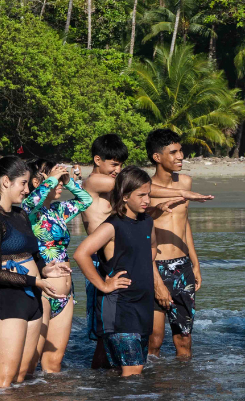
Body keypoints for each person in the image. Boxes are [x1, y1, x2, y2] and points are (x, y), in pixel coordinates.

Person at [81, 134, 212, 368]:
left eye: (120, 166)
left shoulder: (143, 202)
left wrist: (194, 260)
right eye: (114, 165)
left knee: (162, 338)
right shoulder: (96, 184)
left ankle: (161, 390)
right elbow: (129, 192)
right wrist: (180, 195)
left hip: (155, 266)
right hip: (109, 267)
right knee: (116, 337)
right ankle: (114, 386)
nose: (117, 171)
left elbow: (176, 224)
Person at [0, 156, 68, 389]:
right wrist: (35, 281)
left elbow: (34, 255)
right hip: (9, 301)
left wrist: (48, 269)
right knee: (2, 382)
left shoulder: (21, 215)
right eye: (23, 183)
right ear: (6, 182)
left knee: (21, 378)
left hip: (33, 300)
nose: (27, 190)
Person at [75, 167, 168, 376]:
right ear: (125, 196)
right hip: (120, 308)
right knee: (133, 374)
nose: (147, 200)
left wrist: (141, 265)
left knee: (123, 372)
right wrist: (103, 284)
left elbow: (152, 246)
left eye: (149, 194)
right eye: (141, 195)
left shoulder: (147, 222)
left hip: (143, 306)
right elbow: (81, 254)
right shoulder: (112, 226)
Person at [21, 160, 92, 373]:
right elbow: (28, 204)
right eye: (54, 179)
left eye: (60, 179)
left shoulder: (58, 210)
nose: (59, 183)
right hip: (41, 292)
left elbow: (86, 200)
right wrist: (51, 179)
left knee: (53, 363)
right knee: (29, 363)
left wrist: (68, 181)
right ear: (36, 182)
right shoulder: (28, 211)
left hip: (65, 295)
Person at [144, 129, 202, 360]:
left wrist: (195, 264)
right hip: (154, 265)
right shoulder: (144, 188)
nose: (181, 156)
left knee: (184, 340)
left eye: (181, 151)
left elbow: (184, 225)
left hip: (182, 266)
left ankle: (184, 391)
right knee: (154, 340)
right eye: (174, 152)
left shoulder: (186, 182)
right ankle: (150, 394)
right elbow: (139, 232)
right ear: (157, 157)